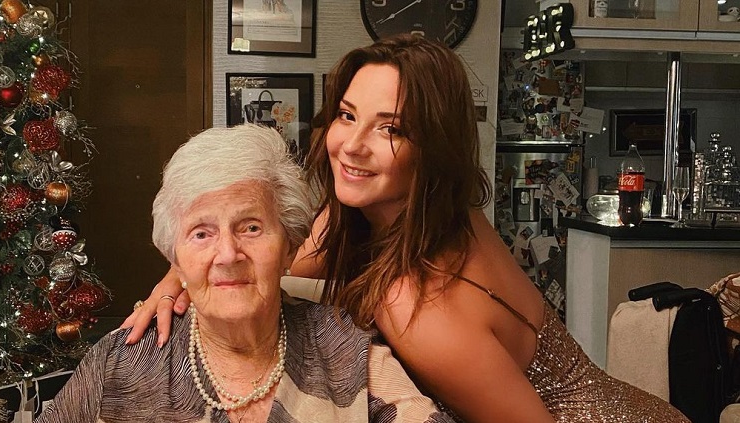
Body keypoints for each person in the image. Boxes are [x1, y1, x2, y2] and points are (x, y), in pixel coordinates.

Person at [124, 35, 689, 422]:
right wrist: (174, 280)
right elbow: (259, 253)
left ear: (431, 148)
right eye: (348, 115)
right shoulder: (414, 214)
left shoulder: (417, 307)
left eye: (390, 128)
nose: (352, 145)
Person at [36, 125, 452, 422]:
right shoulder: (122, 362)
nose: (227, 254)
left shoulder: (345, 347)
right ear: (176, 259)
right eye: (201, 233)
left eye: (251, 227)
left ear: (289, 246)